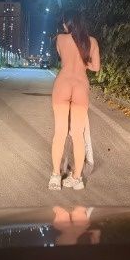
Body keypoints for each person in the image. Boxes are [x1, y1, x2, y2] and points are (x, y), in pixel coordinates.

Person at [49, 10, 100, 190]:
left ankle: (55, 177)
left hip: (62, 85)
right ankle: (77, 178)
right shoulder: (92, 41)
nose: (62, 25)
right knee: (77, 135)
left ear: (68, 23)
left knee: (60, 133)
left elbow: (62, 58)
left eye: (64, 22)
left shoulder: (59, 39)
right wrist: (84, 61)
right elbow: (96, 67)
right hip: (80, 87)